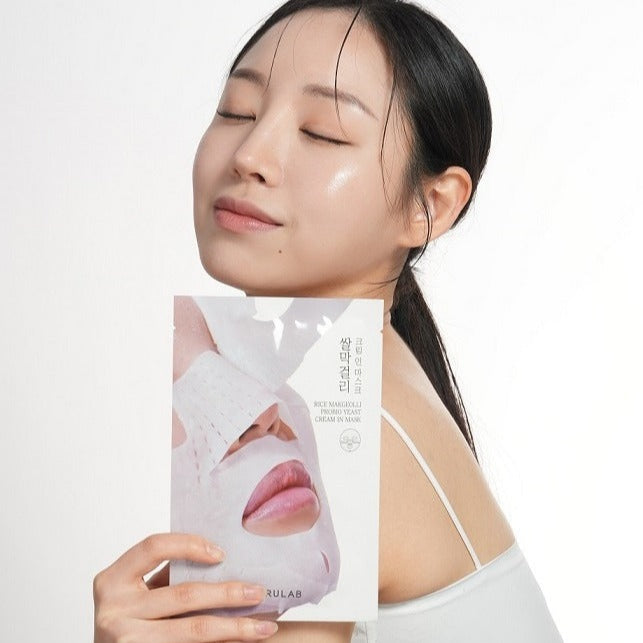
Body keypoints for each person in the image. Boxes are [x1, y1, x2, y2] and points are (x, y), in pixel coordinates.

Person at [93, 1, 564, 641]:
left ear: (429, 205)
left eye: (322, 133)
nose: (250, 154)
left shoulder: (347, 432)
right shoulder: (368, 380)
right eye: (237, 111)